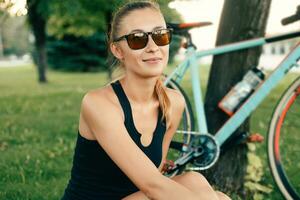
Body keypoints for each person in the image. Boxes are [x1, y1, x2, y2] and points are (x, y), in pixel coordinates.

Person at [61, 1, 231, 199]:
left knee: (197, 181)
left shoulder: (173, 103)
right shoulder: (99, 104)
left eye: (160, 35)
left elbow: (155, 174)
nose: (153, 47)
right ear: (117, 50)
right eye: (137, 39)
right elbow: (154, 186)